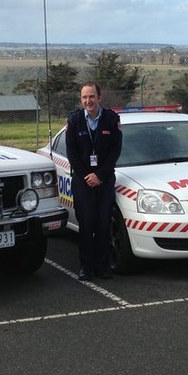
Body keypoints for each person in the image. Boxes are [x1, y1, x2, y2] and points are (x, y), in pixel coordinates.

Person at [65, 82, 123, 281]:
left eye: (91, 97)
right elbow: (71, 153)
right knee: (86, 226)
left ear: (99, 97)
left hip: (104, 180)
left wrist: (100, 175)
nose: (88, 101)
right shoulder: (74, 121)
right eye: (84, 98)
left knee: (103, 225)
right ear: (81, 100)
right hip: (82, 182)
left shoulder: (111, 119)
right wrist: (86, 176)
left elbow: (115, 151)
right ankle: (86, 267)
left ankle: (102, 266)